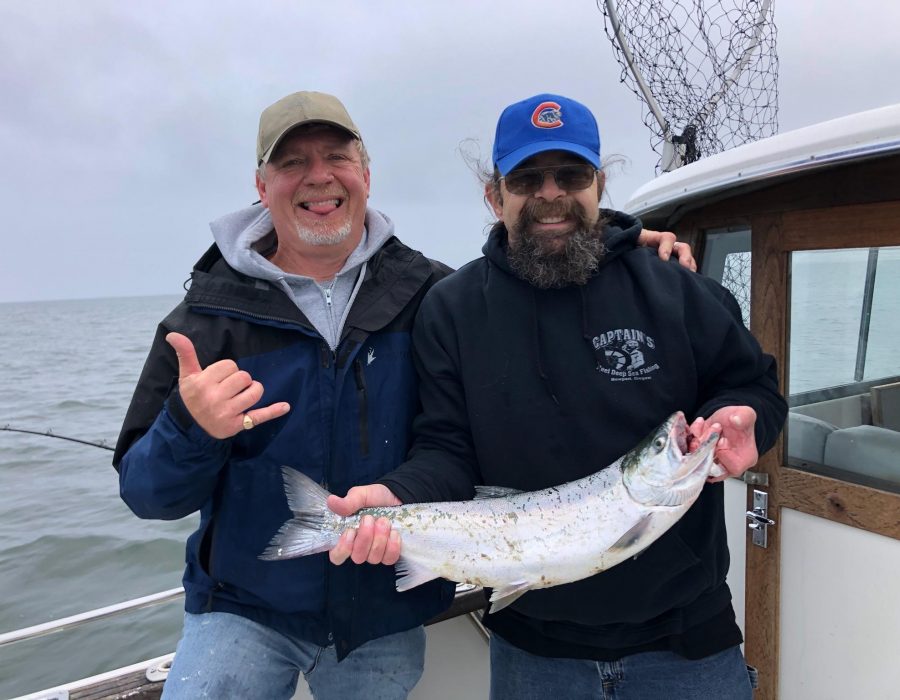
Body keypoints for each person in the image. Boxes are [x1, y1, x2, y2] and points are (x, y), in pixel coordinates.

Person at [112, 90, 693, 700]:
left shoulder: (437, 297)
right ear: (262, 185)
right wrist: (189, 426)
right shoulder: (203, 321)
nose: (318, 177)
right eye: (292, 163)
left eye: (335, 156)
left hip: (384, 611)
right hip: (243, 607)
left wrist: (626, 255)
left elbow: (542, 288)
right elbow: (146, 495)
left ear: (365, 174)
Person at [329, 93, 787, 699]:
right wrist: (397, 499)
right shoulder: (453, 310)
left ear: (598, 183)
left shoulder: (678, 289)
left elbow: (752, 385)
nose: (550, 194)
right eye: (526, 178)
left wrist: (747, 416)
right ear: (495, 195)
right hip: (532, 647)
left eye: (570, 175)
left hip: (686, 638)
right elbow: (446, 447)